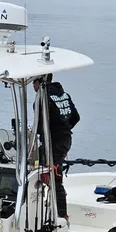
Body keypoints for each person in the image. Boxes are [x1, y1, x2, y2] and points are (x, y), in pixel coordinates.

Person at [33, 73, 80, 222]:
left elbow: (38, 125)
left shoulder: (42, 98)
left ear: (40, 82)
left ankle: (62, 216)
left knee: (55, 177)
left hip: (54, 143)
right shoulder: (63, 94)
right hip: (64, 140)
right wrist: (64, 128)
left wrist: (44, 133)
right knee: (40, 168)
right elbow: (75, 117)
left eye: (33, 82)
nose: (32, 86)